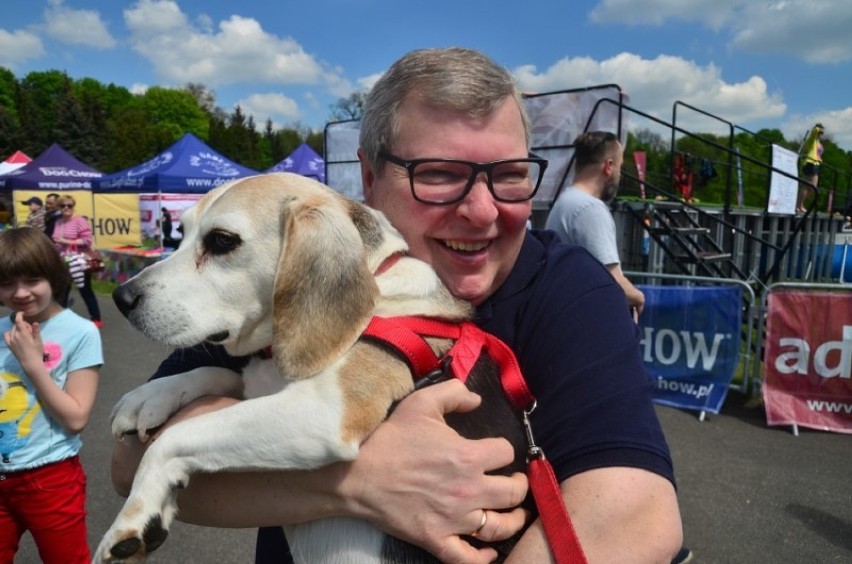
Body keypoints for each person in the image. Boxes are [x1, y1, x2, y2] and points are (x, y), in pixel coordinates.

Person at [112, 47, 683, 563]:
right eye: (439, 175)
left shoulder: (570, 290)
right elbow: (128, 465)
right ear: (368, 175)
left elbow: (640, 518)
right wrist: (361, 484)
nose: (482, 212)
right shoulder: (284, 276)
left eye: (509, 176)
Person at [0, 228, 103, 563]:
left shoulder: (81, 333)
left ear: (54, 276)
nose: (20, 293)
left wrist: (33, 364)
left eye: (32, 279)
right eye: (7, 283)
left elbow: (76, 418)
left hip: (50, 478)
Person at [545, 131, 646, 320]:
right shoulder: (589, 209)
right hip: (584, 325)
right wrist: (639, 297)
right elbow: (611, 282)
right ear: (608, 166)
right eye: (619, 167)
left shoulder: (565, 202)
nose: (620, 175)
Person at [50, 195, 102, 328]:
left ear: (73, 207)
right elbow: (56, 241)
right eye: (63, 206)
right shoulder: (58, 222)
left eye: (69, 205)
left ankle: (96, 318)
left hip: (79, 260)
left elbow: (87, 240)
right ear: (59, 207)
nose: (66, 208)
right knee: (63, 291)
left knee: (85, 290)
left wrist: (66, 241)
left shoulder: (80, 221)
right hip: (64, 260)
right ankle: (59, 319)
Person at [798, 123, 824, 214]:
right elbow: (814, 132)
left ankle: (799, 204)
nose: (821, 133)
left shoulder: (818, 142)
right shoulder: (812, 140)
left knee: (813, 188)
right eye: (820, 131)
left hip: (816, 164)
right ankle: (799, 205)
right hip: (810, 163)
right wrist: (817, 128)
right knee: (806, 185)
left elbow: (818, 153)